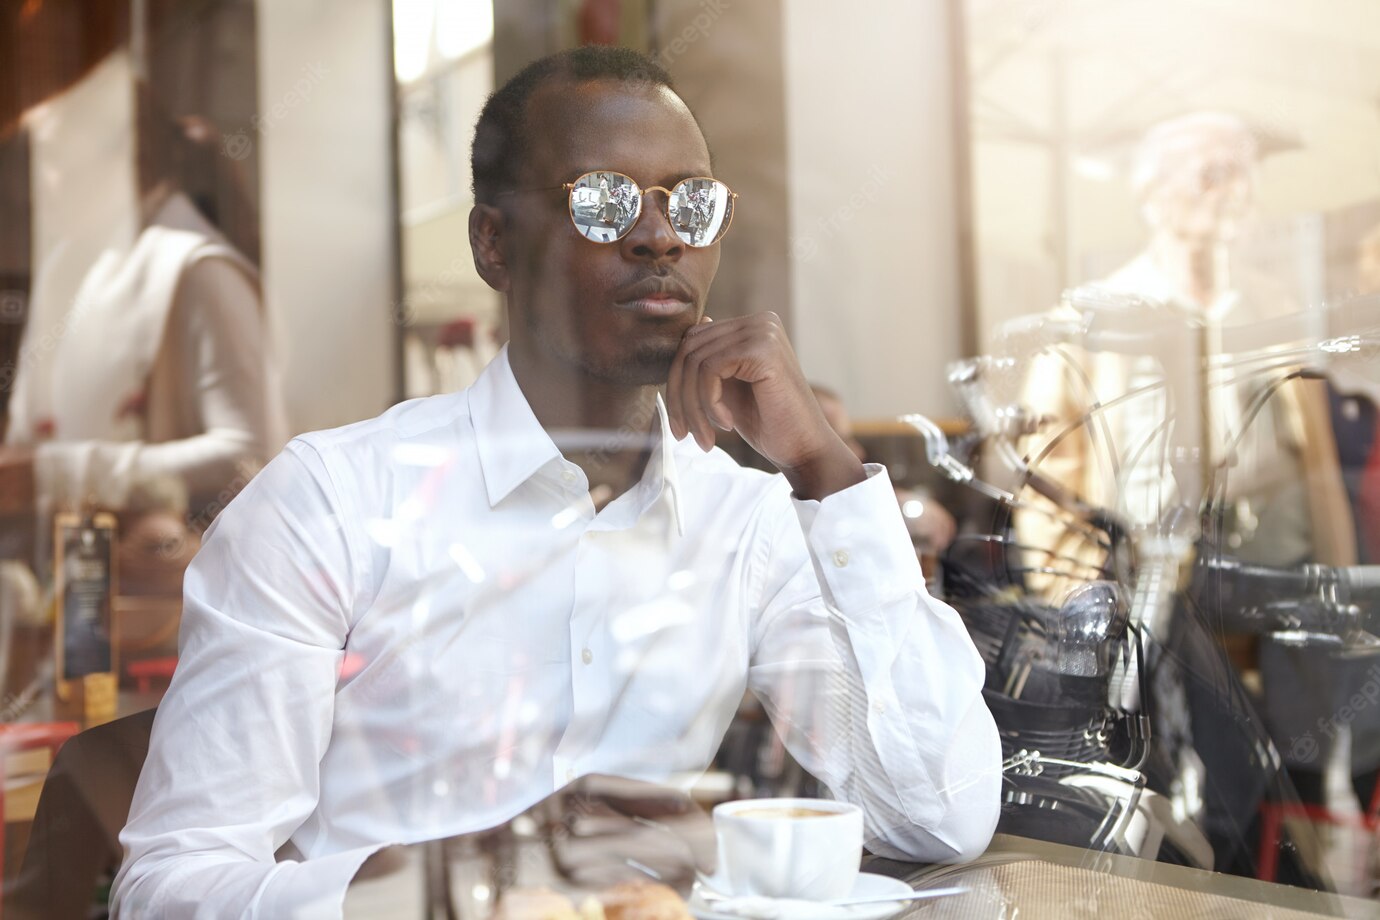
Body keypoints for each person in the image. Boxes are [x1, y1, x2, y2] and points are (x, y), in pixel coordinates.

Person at [112, 47, 1000, 917]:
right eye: (603, 201)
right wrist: (464, 881)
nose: (659, 236)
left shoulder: (749, 522)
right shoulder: (331, 504)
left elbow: (938, 816)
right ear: (493, 244)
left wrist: (824, 468)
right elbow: (167, 889)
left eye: (690, 203)